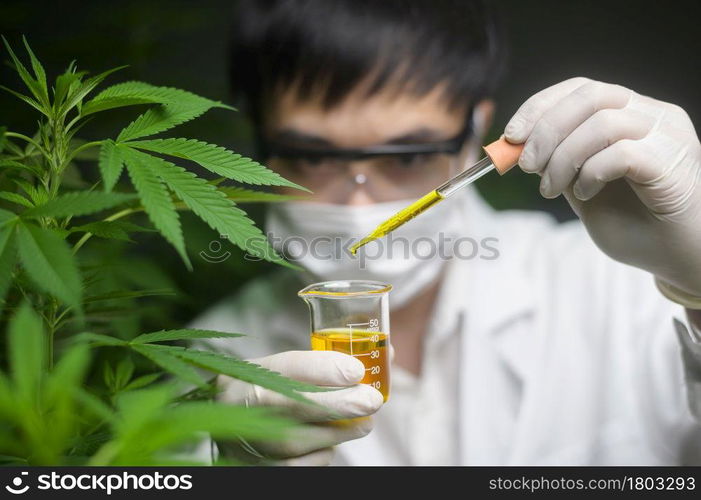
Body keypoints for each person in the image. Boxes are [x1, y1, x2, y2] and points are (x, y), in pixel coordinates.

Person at [190, 0, 701, 465]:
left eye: (408, 156)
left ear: (476, 131)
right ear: (260, 138)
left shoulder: (619, 290)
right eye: (313, 156)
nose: (360, 202)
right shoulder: (211, 357)